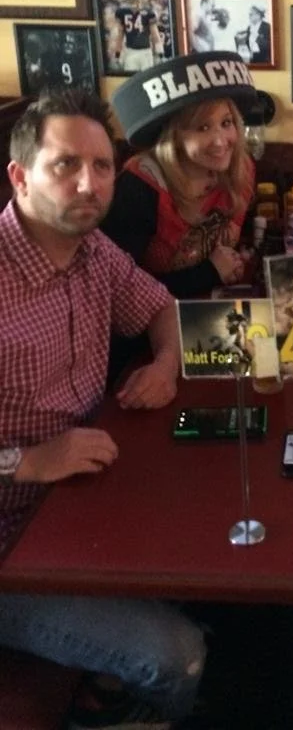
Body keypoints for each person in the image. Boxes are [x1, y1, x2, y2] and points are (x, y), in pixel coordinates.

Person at [0, 89, 205, 729]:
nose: (88, 184)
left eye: (103, 166)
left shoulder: (94, 253)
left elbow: (164, 310)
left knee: (220, 546)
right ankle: (129, 709)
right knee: (179, 654)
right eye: (65, 165)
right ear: (19, 175)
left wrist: (166, 365)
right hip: (12, 551)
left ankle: (106, 686)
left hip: (88, 507)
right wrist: (27, 461)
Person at [102, 50, 259, 298]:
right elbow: (117, 291)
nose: (221, 142)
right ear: (173, 137)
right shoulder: (138, 189)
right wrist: (209, 273)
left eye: (226, 123)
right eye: (202, 127)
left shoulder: (240, 168)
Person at [109, 0, 164, 74]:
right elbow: (120, 35)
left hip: (143, 52)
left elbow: (155, 35)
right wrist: (160, 54)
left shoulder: (148, 13)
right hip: (132, 52)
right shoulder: (123, 12)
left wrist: (160, 54)